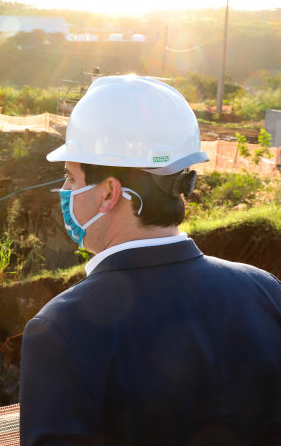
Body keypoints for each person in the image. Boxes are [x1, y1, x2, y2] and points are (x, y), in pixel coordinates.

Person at [20, 75, 281, 444]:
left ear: (109, 192)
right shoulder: (264, 291)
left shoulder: (62, 327)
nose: (64, 191)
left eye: (71, 177)